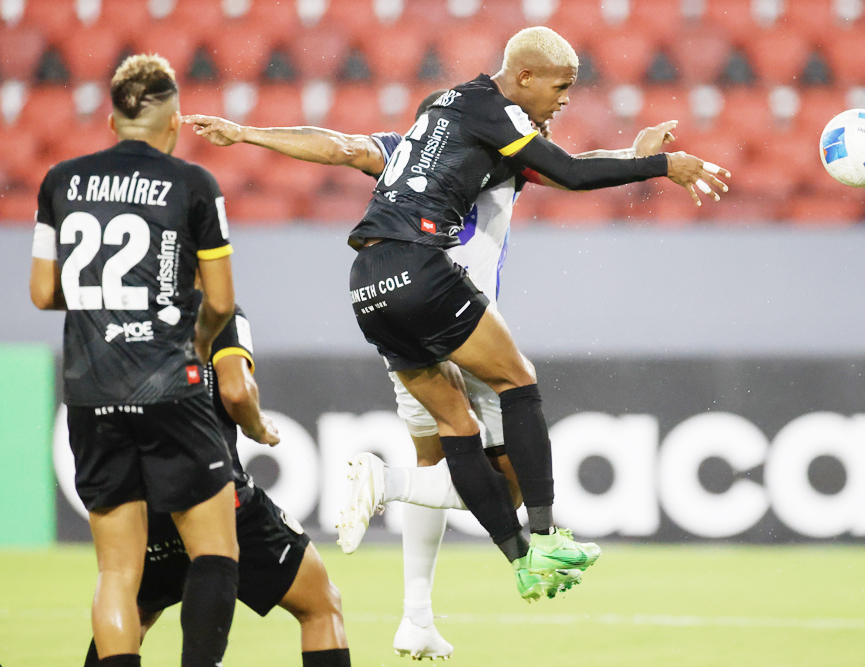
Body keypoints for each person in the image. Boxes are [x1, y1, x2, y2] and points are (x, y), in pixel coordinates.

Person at [184, 87, 679, 654]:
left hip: (393, 295)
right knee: (505, 481)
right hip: (456, 310)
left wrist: (247, 133)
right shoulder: (501, 150)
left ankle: (416, 614)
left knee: (438, 457)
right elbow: (566, 168)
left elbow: (342, 147)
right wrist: (641, 162)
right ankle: (400, 493)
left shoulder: (405, 158)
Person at [345, 25, 730, 601]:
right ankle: (538, 535)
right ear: (523, 78)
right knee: (518, 381)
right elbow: (570, 173)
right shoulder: (494, 114)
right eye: (561, 86)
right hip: (428, 279)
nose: (567, 99)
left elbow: (563, 165)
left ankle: (520, 560)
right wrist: (660, 166)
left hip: (367, 285)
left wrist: (631, 155)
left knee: (457, 431)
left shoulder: (448, 117)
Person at [29, 54, 240, 667]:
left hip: (90, 390)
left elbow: (43, 293)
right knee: (215, 554)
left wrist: (104, 300)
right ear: (173, 120)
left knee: (117, 571)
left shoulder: (60, 180)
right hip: (168, 384)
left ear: (113, 117)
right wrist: (194, 338)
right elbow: (221, 300)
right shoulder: (193, 184)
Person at [79, 303, 352, 667]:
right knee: (320, 605)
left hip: (142, 501)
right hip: (210, 489)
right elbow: (236, 391)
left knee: (128, 609)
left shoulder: (114, 315)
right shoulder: (210, 306)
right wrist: (256, 425)